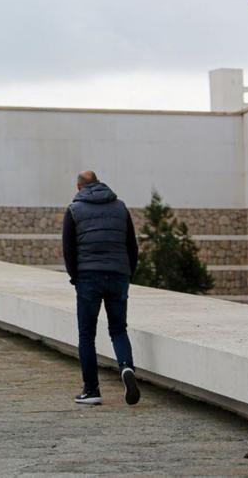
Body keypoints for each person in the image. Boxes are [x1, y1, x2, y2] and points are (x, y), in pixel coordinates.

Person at [63, 170, 141, 407]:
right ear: (99, 183)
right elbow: (132, 245)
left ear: (79, 188)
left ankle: (91, 390)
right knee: (118, 329)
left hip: (88, 277)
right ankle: (126, 367)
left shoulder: (74, 210)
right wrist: (128, 273)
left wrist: (75, 276)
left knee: (87, 334)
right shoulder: (120, 207)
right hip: (118, 275)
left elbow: (69, 249)